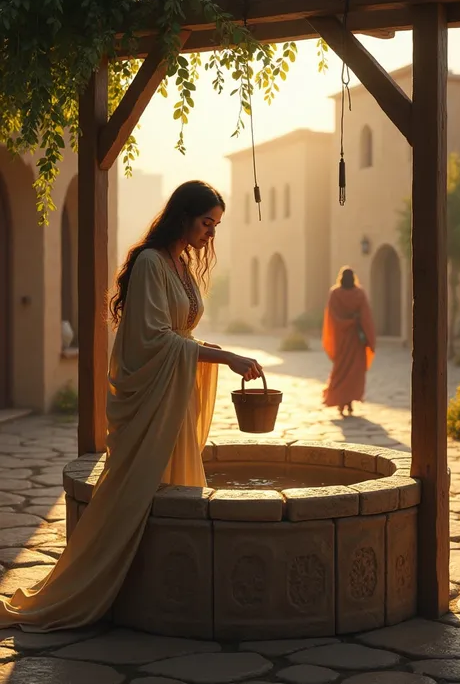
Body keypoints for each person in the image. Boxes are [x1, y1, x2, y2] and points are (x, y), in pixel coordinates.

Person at [0, 180, 263, 631]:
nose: (210, 234)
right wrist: (225, 357)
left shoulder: (179, 263)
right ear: (183, 215)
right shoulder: (149, 263)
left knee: (172, 491)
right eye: (207, 222)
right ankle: (104, 584)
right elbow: (151, 339)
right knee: (133, 494)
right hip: (151, 402)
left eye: (216, 226)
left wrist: (206, 348)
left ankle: (167, 583)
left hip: (173, 397)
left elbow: (175, 333)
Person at [322, 266, 376, 417]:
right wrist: (368, 336)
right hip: (355, 339)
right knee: (354, 372)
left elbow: (332, 317)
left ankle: (341, 402)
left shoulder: (335, 294)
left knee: (341, 370)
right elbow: (366, 316)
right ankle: (350, 402)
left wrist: (344, 323)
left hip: (342, 339)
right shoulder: (359, 294)